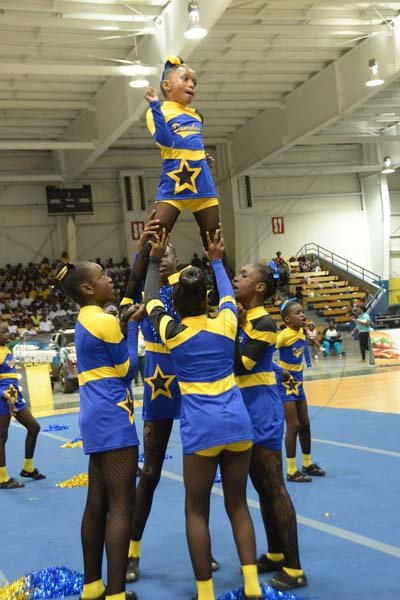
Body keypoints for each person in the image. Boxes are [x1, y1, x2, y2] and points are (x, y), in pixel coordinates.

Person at [144, 229, 262, 600]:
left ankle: (206, 593)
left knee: (196, 510)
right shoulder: (227, 322)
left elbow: (149, 301)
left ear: (176, 303)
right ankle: (253, 586)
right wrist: (215, 258)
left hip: (201, 431)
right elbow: (228, 293)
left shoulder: (173, 331)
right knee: (239, 505)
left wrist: (152, 260)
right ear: (208, 298)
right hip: (238, 424)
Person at [127, 223, 219, 583]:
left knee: (196, 479)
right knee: (149, 472)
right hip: (157, 383)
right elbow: (135, 285)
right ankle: (132, 551)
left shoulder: (190, 288)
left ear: (177, 257)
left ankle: (204, 550)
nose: (161, 258)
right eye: (156, 254)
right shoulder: (148, 288)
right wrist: (145, 255)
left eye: (166, 252)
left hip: (190, 378)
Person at [55, 260, 142, 600]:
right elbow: (126, 368)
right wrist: (131, 327)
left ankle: (92, 585)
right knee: (122, 506)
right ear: (88, 289)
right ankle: (117, 593)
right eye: (102, 276)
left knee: (97, 502)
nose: (109, 279)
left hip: (93, 412)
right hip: (113, 414)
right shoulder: (105, 320)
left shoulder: (86, 318)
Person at [233, 265, 308, 591]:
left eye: (245, 274)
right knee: (262, 488)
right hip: (247, 413)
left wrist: (227, 331)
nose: (238, 277)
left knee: (274, 487)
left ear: (260, 287)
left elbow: (240, 363)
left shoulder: (262, 321)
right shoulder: (248, 320)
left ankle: (294, 568)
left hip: (261, 416)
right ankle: (276, 552)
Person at [275, 299, 325, 482]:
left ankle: (307, 463)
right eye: (297, 313)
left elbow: (306, 345)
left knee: (305, 424)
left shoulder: (302, 332)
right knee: (293, 425)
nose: (302, 315)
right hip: (285, 384)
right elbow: (264, 352)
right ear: (287, 319)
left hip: (299, 383)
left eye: (302, 312)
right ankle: (290, 470)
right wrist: (279, 370)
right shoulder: (283, 335)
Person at [0, 323, 45, 489]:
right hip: (2, 397)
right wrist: (2, 394)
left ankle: (28, 468)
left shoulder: (6, 348)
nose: (7, 333)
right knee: (2, 435)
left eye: (7, 330)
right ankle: (2, 477)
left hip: (14, 396)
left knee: (34, 427)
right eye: (3, 332)